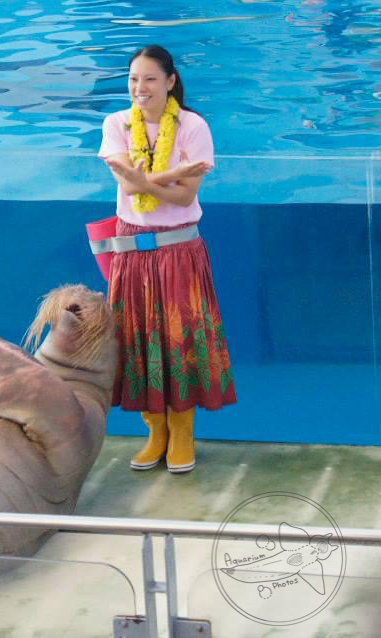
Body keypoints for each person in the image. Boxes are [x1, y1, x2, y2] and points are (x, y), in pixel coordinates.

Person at [97, 45, 235, 473]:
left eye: (150, 79)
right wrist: (165, 177)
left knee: (181, 340)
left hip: (178, 249)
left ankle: (182, 431)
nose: (140, 88)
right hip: (131, 248)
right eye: (134, 79)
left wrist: (143, 181)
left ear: (171, 81)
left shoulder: (193, 127)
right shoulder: (116, 123)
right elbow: (126, 174)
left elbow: (186, 195)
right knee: (137, 340)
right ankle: (154, 431)